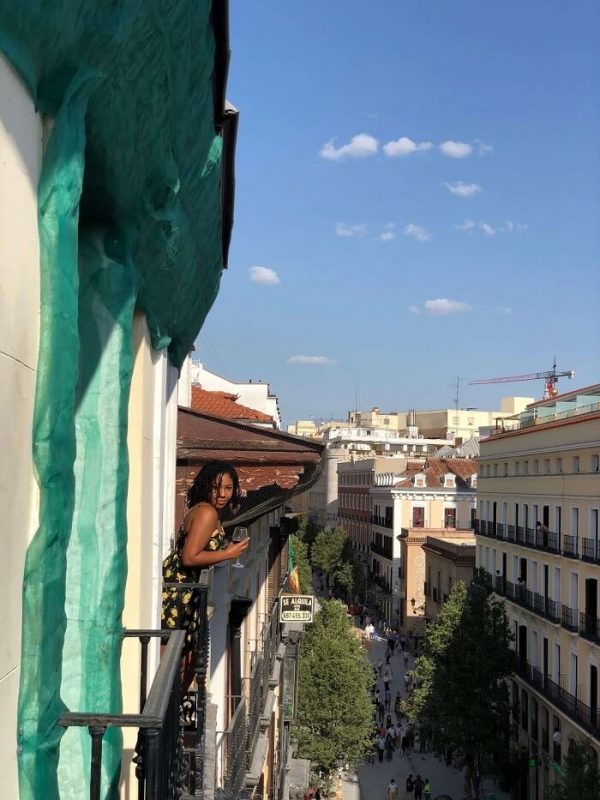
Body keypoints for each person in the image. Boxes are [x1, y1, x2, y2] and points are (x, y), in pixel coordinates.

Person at [162, 461, 249, 690]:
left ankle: (171, 713)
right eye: (215, 487)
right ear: (204, 486)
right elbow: (189, 558)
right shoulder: (207, 513)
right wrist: (228, 553)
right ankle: (166, 719)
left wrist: (224, 550)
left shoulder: (205, 510)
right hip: (180, 595)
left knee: (183, 662)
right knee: (177, 667)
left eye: (228, 488)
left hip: (186, 592)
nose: (222, 494)